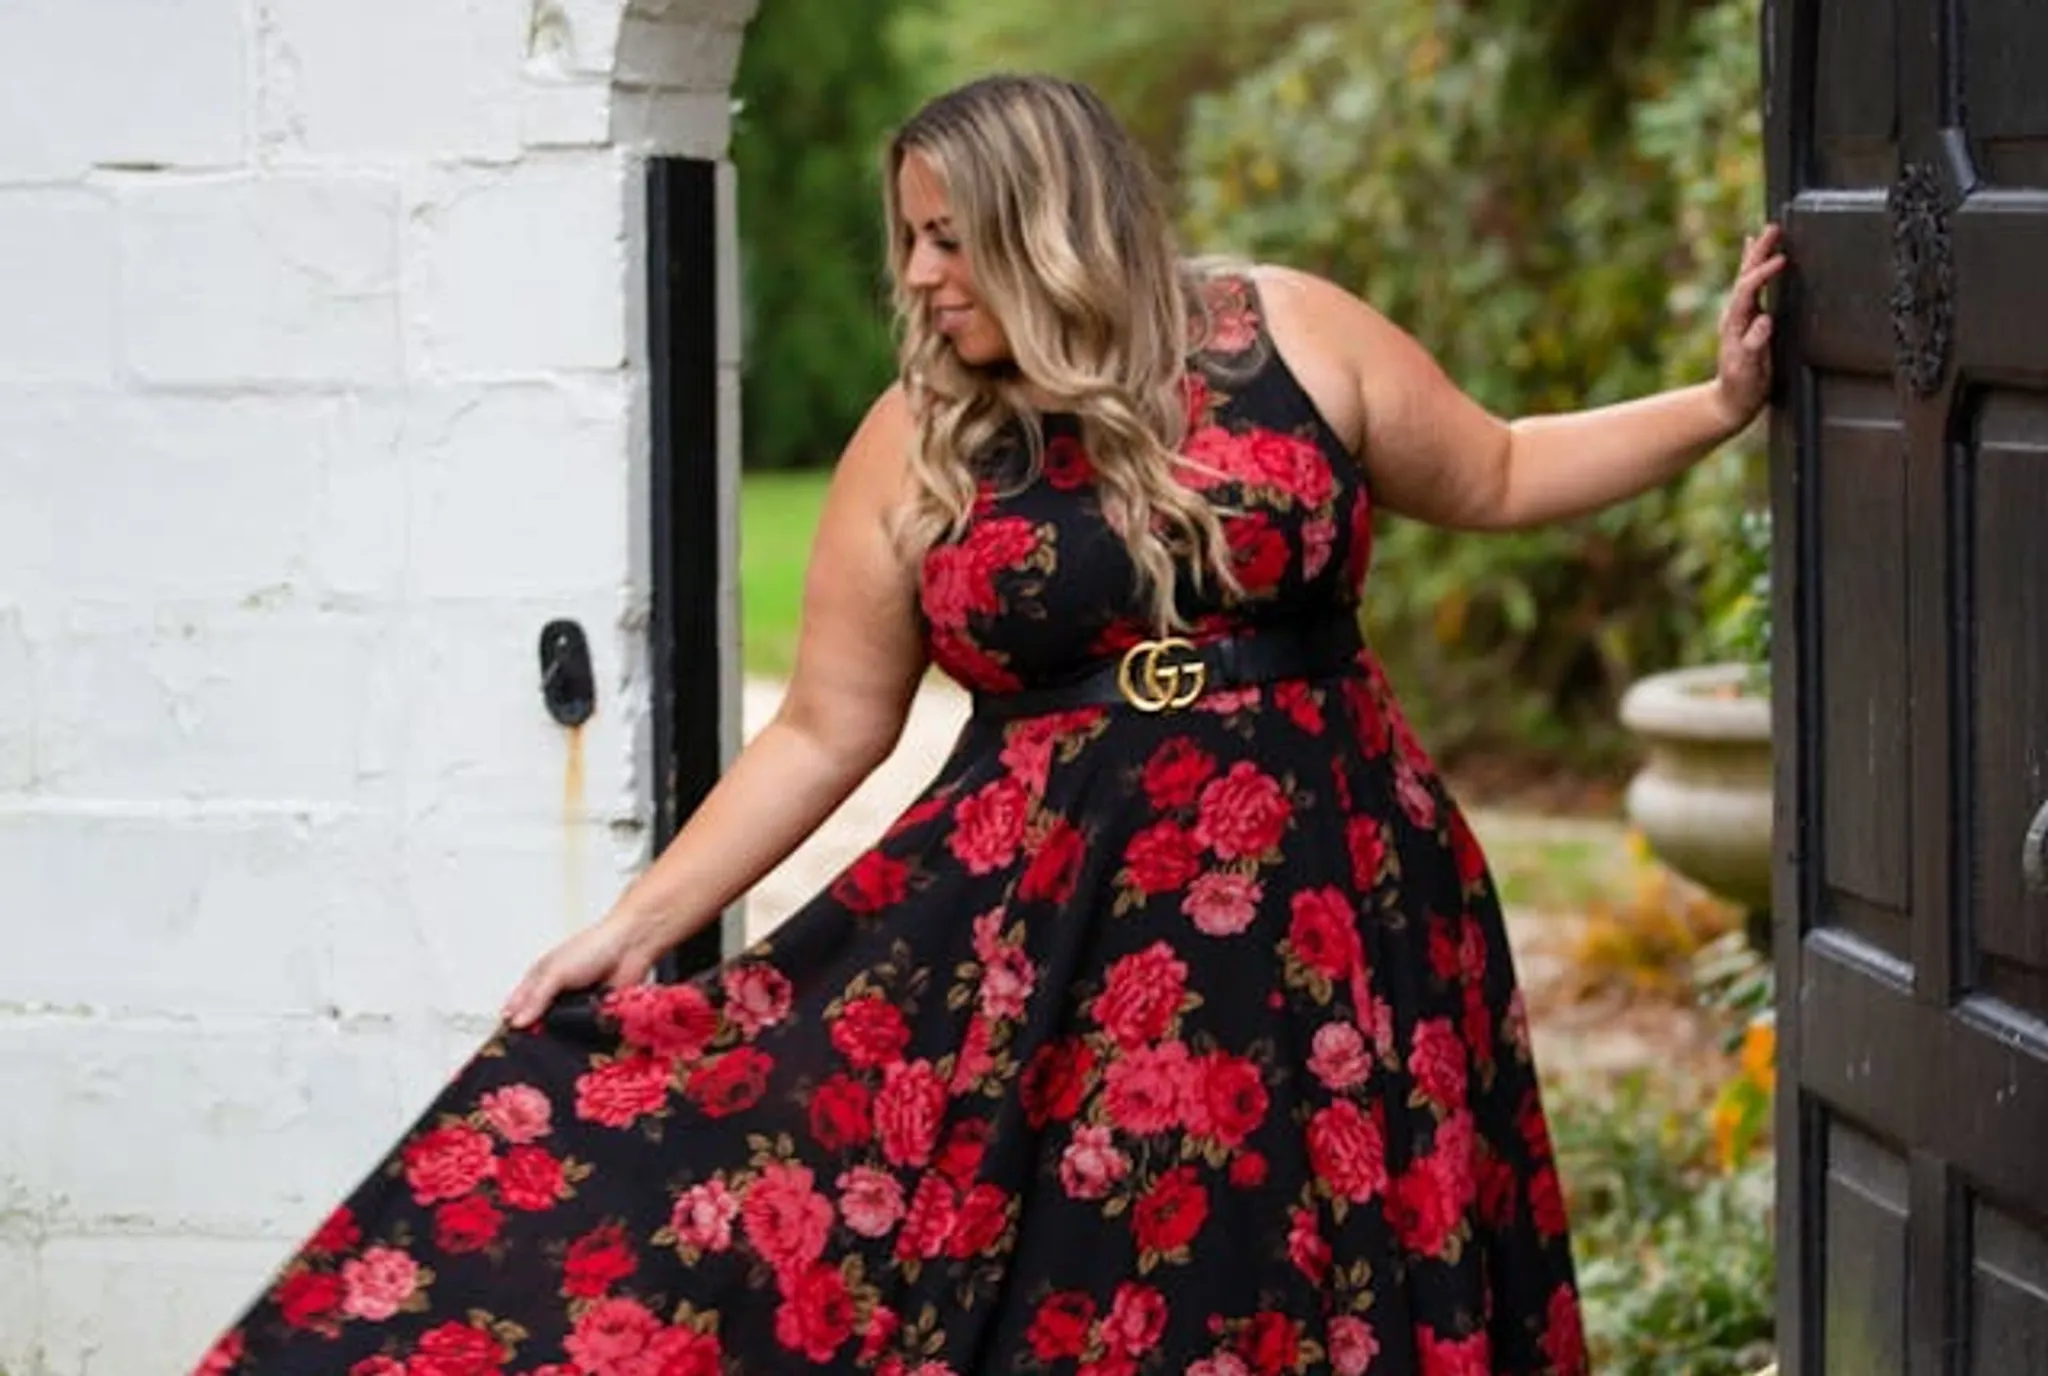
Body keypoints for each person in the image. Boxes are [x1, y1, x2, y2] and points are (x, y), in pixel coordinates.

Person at [189, 73, 1783, 1376]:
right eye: (911, 241)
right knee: (1103, 1300)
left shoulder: (1284, 331)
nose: (922, 276)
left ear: (1051, 220)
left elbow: (1496, 471)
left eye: (950, 237)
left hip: (1347, 907)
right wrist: (638, 924)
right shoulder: (918, 439)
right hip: (1067, 957)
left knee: (1339, 1272)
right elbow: (824, 731)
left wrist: (1713, 407)